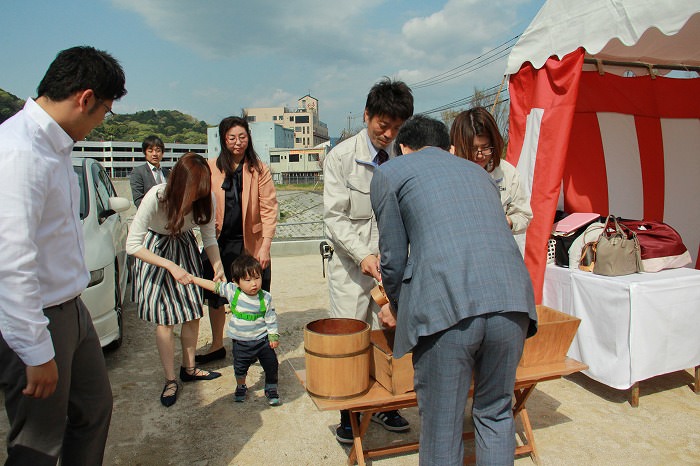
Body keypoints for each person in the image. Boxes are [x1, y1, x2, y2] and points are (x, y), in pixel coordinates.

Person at [370, 114, 538, 466]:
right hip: (512, 303)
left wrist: (399, 308)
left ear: (403, 148)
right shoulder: (481, 174)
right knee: (495, 414)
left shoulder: (390, 172)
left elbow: (393, 258)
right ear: (447, 146)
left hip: (447, 309)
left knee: (442, 427)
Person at [0, 45, 126, 464]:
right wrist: (35, 352)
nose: (99, 122)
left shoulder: (56, 148)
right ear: (85, 98)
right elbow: (10, 262)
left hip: (72, 309)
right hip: (39, 316)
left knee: (93, 410)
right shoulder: (19, 152)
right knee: (38, 441)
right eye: (104, 111)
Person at [323, 78, 413, 443]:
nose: (388, 134)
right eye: (382, 125)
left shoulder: (403, 157)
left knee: (389, 333)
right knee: (351, 336)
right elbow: (334, 217)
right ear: (367, 115)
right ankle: (350, 412)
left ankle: (387, 404)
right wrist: (362, 255)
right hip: (351, 270)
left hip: (390, 268)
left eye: (396, 127)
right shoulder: (341, 158)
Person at [127, 152, 225, 407]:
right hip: (156, 252)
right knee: (165, 318)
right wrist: (169, 265)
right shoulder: (157, 197)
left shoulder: (207, 199)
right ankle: (171, 379)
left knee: (193, 311)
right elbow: (132, 245)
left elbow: (209, 238)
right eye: (194, 190)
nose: (198, 196)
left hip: (184, 248)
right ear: (179, 183)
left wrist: (218, 267)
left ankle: (189, 368)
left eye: (203, 190)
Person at [195, 116, 278, 364]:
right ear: (223, 139)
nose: (237, 142)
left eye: (242, 137)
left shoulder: (259, 169)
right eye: (232, 138)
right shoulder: (211, 168)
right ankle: (218, 344)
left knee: (256, 293)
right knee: (217, 296)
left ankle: (257, 343)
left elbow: (269, 209)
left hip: (251, 242)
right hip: (220, 240)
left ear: (248, 138)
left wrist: (265, 247)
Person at [191, 254, 281, 406]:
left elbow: (270, 317)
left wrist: (273, 336)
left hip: (262, 341)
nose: (254, 284)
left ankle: (271, 387)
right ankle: (241, 386)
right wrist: (193, 279)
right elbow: (213, 286)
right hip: (241, 343)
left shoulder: (265, 297)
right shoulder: (233, 292)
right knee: (240, 368)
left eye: (257, 278)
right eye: (248, 280)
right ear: (236, 281)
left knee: (272, 364)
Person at [450, 107, 532, 235]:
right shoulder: (447, 174)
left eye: (485, 147)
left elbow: (524, 215)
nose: (480, 155)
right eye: (472, 149)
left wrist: (508, 222)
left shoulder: (507, 172)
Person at [129, 135, 170, 208]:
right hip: (149, 216)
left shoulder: (168, 173)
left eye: (158, 151)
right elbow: (138, 200)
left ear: (162, 153)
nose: (154, 154)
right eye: (150, 151)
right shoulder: (138, 172)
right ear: (145, 153)